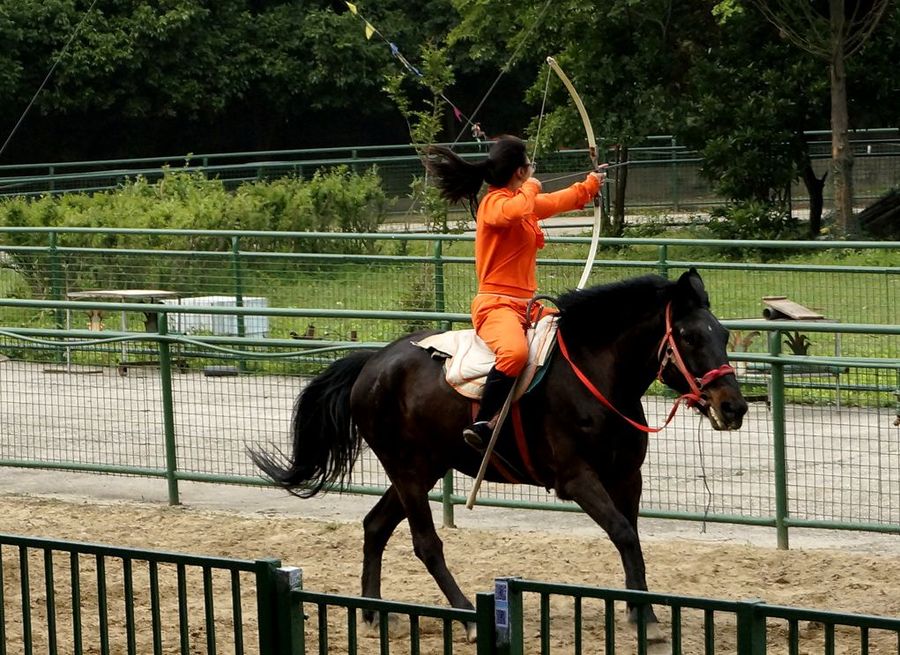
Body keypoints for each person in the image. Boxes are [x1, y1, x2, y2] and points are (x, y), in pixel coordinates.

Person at [425, 135, 605, 449]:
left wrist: (590, 185)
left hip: (528, 306)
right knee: (514, 354)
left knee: (570, 337)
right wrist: (531, 187)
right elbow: (516, 210)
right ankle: (485, 421)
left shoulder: (522, 202)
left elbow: (558, 201)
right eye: (528, 165)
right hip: (495, 306)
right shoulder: (494, 204)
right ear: (520, 171)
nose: (532, 170)